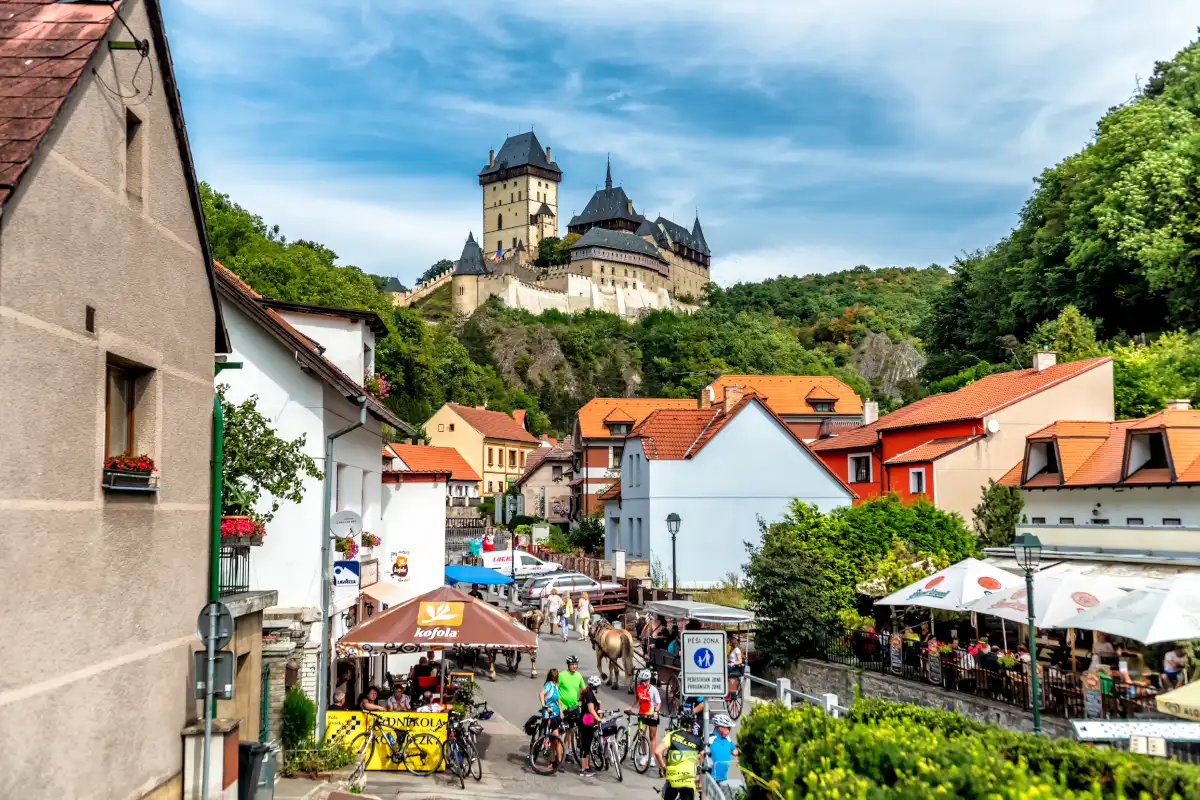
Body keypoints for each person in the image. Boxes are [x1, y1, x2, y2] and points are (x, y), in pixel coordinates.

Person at [655, 714, 703, 799]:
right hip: (688, 780)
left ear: (680, 723)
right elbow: (702, 758)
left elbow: (657, 752)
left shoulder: (672, 735)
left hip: (672, 778)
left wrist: (663, 767)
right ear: (692, 725)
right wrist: (700, 780)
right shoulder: (697, 740)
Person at [627, 669, 663, 773]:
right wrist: (630, 706)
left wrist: (656, 711)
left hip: (652, 715)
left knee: (652, 737)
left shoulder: (654, 690)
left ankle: (652, 758)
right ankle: (644, 755)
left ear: (649, 681)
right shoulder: (639, 688)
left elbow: (659, 703)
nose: (643, 683)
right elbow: (636, 698)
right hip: (642, 715)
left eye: (645, 681)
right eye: (641, 681)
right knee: (641, 735)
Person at [558, 655, 585, 758]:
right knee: (562, 732)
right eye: (572, 664)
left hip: (574, 708)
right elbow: (555, 690)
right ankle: (559, 755)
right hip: (563, 708)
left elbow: (584, 689)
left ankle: (567, 752)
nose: (574, 666)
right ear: (568, 665)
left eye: (575, 664)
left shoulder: (578, 675)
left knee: (570, 731)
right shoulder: (562, 675)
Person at [577, 675, 602, 777]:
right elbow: (591, 710)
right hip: (587, 723)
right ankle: (584, 769)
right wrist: (599, 719)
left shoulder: (588, 693)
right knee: (585, 747)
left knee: (586, 747)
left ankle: (586, 767)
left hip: (585, 722)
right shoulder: (590, 696)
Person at [708, 713, 739, 784]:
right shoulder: (709, 739)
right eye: (728, 728)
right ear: (720, 728)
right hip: (711, 777)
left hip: (723, 777)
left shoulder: (728, 739)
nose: (730, 730)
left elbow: (735, 752)